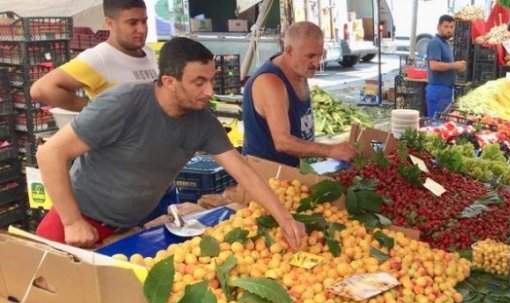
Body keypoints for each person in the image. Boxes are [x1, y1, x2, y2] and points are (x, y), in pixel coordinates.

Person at [34, 37, 306, 249]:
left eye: (210, 80)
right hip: (76, 222)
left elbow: (244, 172)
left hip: (129, 230)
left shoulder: (202, 122)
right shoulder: (122, 103)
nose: (209, 91)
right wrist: (72, 221)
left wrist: (285, 219)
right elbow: (49, 154)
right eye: (199, 82)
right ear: (169, 82)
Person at [242, 22, 356, 167]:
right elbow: (283, 142)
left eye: (320, 55)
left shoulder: (298, 70)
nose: (316, 63)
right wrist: (330, 150)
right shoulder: (271, 83)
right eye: (310, 56)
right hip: (266, 172)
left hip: (296, 168)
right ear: (289, 51)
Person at [30, 0, 157, 111]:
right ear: (110, 24)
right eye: (133, 23)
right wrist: (94, 110)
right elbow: (41, 89)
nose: (142, 29)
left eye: (144, 21)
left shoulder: (148, 51)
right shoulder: (99, 57)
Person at [424, 15, 465, 118]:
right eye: (446, 26)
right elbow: (434, 65)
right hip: (438, 89)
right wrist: (455, 65)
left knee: (442, 122)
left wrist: (458, 67)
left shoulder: (445, 44)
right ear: (438, 27)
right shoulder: (435, 43)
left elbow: (447, 65)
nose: (449, 30)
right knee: (436, 122)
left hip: (445, 90)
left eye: (451, 27)